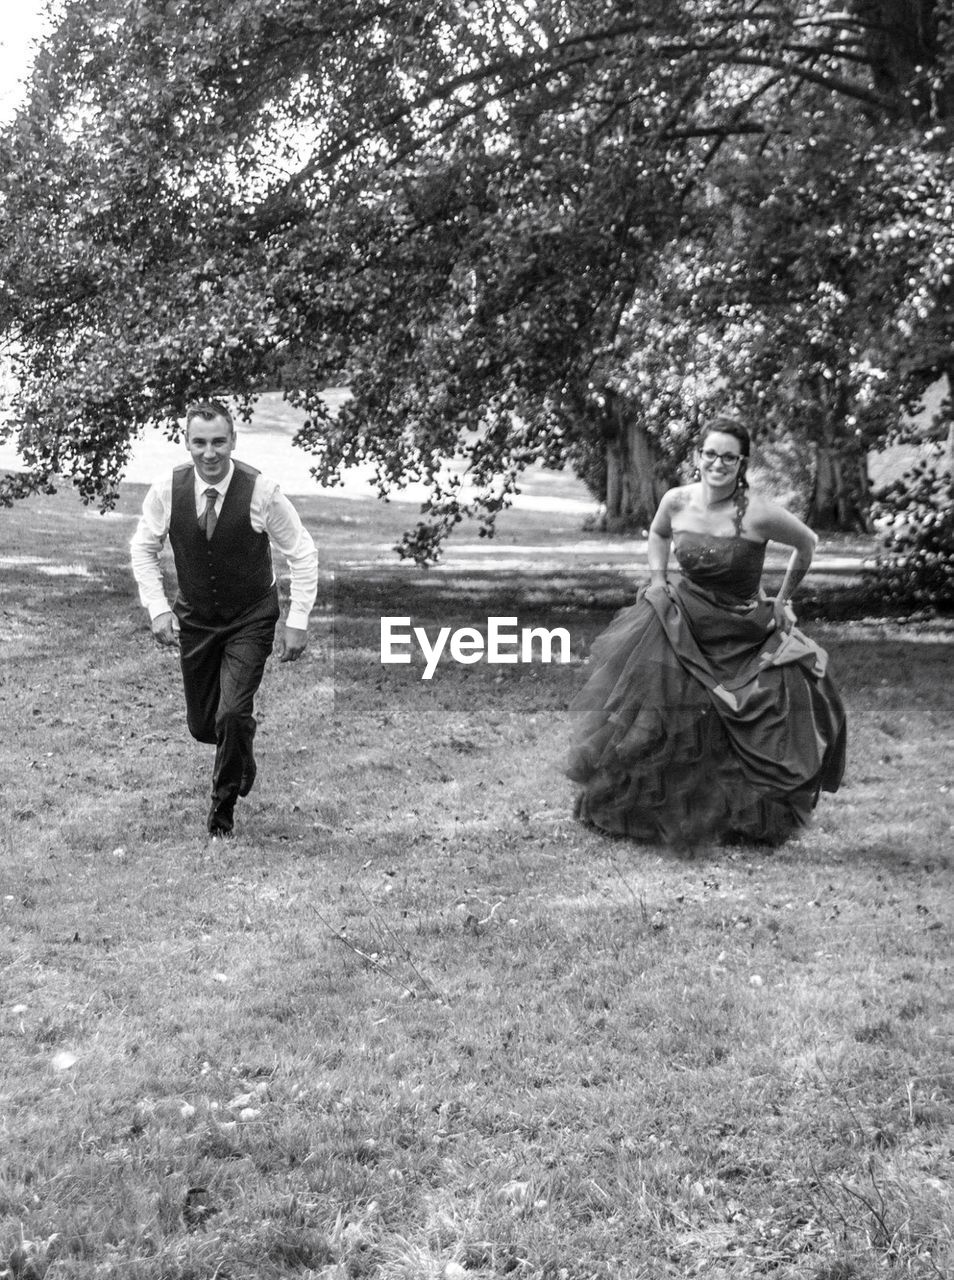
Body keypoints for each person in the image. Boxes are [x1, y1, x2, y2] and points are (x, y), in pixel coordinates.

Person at [567, 419, 846, 850]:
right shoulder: (676, 501)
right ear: (698, 457)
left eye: (728, 457)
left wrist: (783, 599)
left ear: (742, 463)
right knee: (665, 704)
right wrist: (658, 579)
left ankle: (736, 814)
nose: (718, 463)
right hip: (684, 615)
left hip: (741, 625)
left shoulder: (760, 512)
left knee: (775, 692)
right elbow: (659, 534)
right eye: (710, 454)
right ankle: (656, 808)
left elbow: (806, 543)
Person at [130, 398, 319, 837]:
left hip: (250, 615)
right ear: (187, 442)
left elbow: (302, 552)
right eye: (199, 442)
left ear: (233, 441)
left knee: (232, 713)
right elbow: (143, 547)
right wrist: (158, 607)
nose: (209, 453)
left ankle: (220, 816)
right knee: (203, 725)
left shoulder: (261, 491)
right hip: (196, 617)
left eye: (219, 442)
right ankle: (241, 752)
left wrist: (298, 619)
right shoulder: (167, 489)